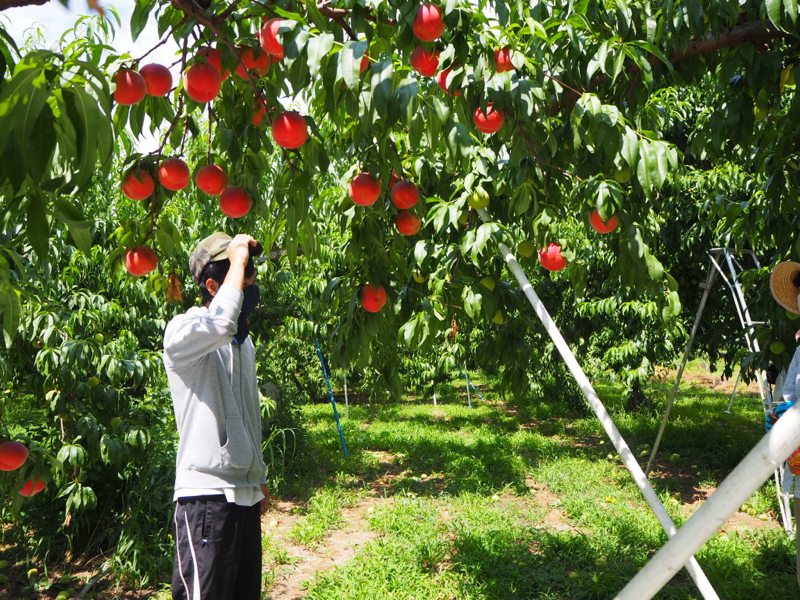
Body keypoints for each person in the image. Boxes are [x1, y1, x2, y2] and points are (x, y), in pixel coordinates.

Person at [163, 232, 269, 600]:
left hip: (244, 497)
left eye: (250, 274)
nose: (251, 284)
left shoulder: (244, 343)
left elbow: (248, 413)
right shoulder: (183, 331)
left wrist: (259, 477)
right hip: (205, 499)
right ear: (212, 285)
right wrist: (237, 258)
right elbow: (220, 323)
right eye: (244, 274)